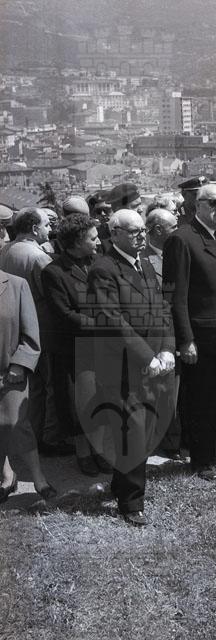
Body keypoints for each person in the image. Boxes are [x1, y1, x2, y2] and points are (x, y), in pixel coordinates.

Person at [82, 209, 175, 526]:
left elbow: (161, 307)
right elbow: (112, 321)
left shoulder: (143, 263)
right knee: (131, 433)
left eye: (143, 230)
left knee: (144, 430)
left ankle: (123, 486)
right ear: (114, 234)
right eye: (134, 231)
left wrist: (167, 347)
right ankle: (131, 503)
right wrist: (147, 356)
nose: (141, 236)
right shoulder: (103, 269)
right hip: (123, 366)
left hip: (152, 363)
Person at [163, 184, 216, 480]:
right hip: (203, 335)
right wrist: (186, 340)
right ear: (197, 206)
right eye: (213, 203)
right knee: (202, 400)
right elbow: (176, 296)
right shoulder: (183, 239)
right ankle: (202, 459)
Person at [41, 214, 111, 477]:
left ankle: (100, 451)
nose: (98, 242)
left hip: (103, 348)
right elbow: (64, 314)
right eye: (93, 238)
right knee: (77, 405)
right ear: (77, 242)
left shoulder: (100, 262)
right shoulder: (54, 272)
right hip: (74, 350)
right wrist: (102, 324)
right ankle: (84, 453)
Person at [0, 208, 69, 456]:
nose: (49, 229)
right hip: (40, 328)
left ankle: (30, 436)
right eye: (46, 225)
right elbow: (51, 295)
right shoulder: (39, 257)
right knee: (48, 385)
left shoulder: (7, 250)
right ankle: (49, 437)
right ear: (34, 228)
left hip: (15, 330)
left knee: (32, 387)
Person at [0, 268, 57, 503]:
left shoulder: (16, 285)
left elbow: (31, 333)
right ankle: (7, 476)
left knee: (16, 425)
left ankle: (39, 479)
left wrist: (20, 364)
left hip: (10, 373)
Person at [143, 208, 183, 458]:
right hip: (159, 334)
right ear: (158, 230)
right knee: (163, 391)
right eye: (173, 227)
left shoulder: (180, 252)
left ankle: (177, 437)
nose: (178, 231)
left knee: (178, 391)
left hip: (182, 329)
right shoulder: (143, 260)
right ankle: (165, 441)